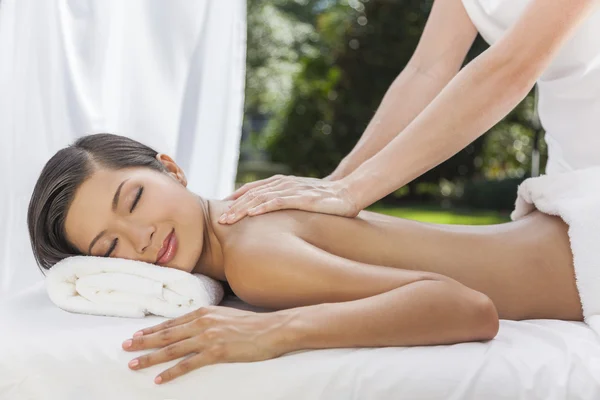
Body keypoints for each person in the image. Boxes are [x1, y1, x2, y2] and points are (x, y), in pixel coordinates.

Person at [28, 133, 582, 385]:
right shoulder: (246, 210)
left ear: (170, 169)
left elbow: (467, 308)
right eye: (110, 249)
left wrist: (275, 333)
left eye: (135, 200)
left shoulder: (252, 259)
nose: (142, 237)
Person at [220, 0, 600, 224]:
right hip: (568, 177)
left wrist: (353, 190)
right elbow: (427, 70)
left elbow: (513, 64)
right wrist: (334, 183)